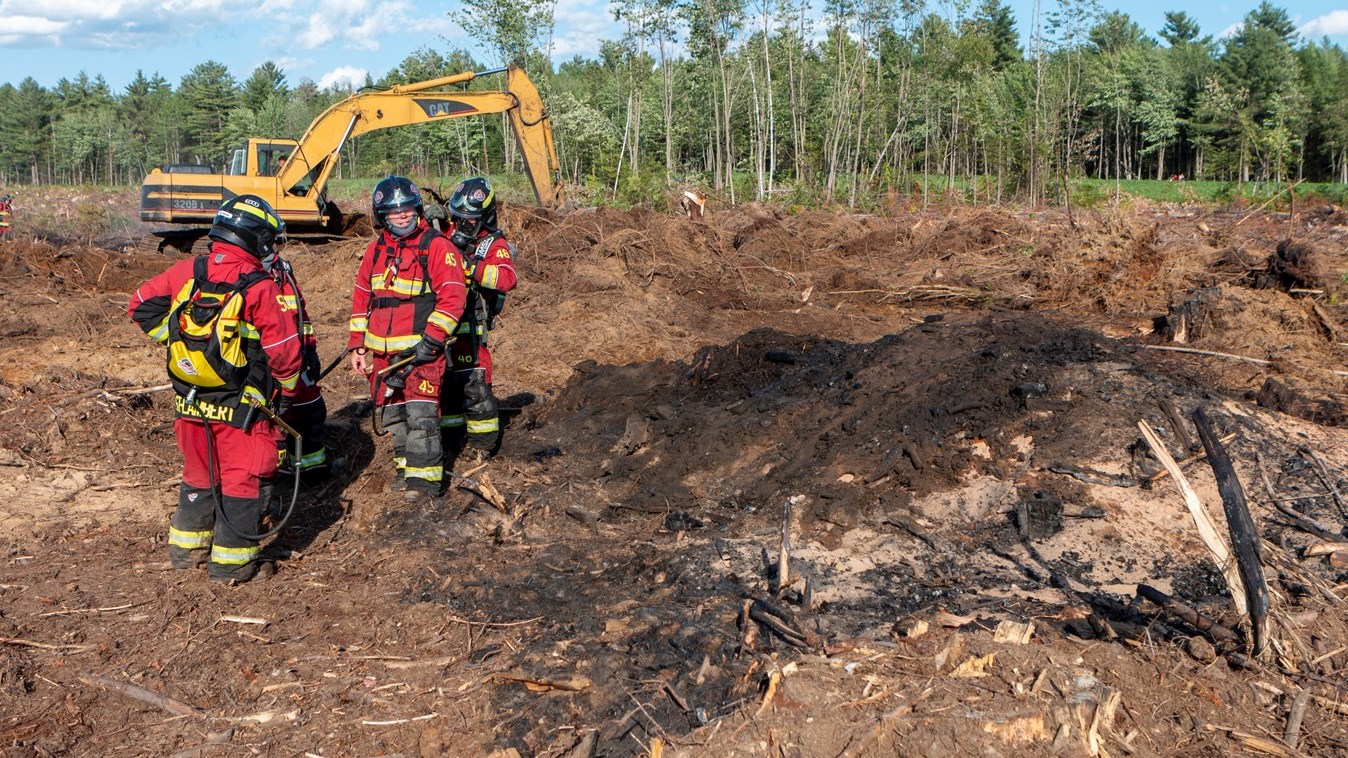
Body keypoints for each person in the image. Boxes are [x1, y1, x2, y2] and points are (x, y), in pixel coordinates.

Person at [129, 195, 301, 584]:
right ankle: (232, 565)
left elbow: (139, 304)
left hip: (189, 400)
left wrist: (180, 346)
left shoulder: (189, 270)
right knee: (243, 477)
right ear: (255, 238)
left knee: (199, 471)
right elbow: (285, 353)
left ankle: (187, 549)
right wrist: (285, 393)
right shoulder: (260, 286)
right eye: (269, 240)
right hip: (243, 405)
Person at [347, 176, 467, 501]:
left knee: (422, 419)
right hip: (384, 360)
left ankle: (424, 487)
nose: (401, 216)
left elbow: (454, 298)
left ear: (417, 209)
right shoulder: (375, 251)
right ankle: (405, 473)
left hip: (420, 354)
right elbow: (361, 298)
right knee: (394, 418)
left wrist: (431, 341)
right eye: (392, 211)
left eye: (406, 209)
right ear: (381, 215)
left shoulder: (437, 246)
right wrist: (357, 344)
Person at [434, 176, 518, 458]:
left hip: (472, 324)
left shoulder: (494, 244)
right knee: (446, 385)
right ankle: (452, 438)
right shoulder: (449, 232)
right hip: (444, 322)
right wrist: (428, 219)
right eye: (457, 219)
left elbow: (507, 278)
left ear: (486, 217)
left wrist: (473, 267)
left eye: (469, 220)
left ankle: (483, 444)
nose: (461, 226)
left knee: (476, 387)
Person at [271, 253, 330, 480]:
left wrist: (310, 349)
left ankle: (310, 470)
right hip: (264, 362)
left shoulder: (281, 269)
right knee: (266, 417)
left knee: (311, 408)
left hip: (294, 356)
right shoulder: (244, 271)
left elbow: (300, 313)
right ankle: (269, 474)